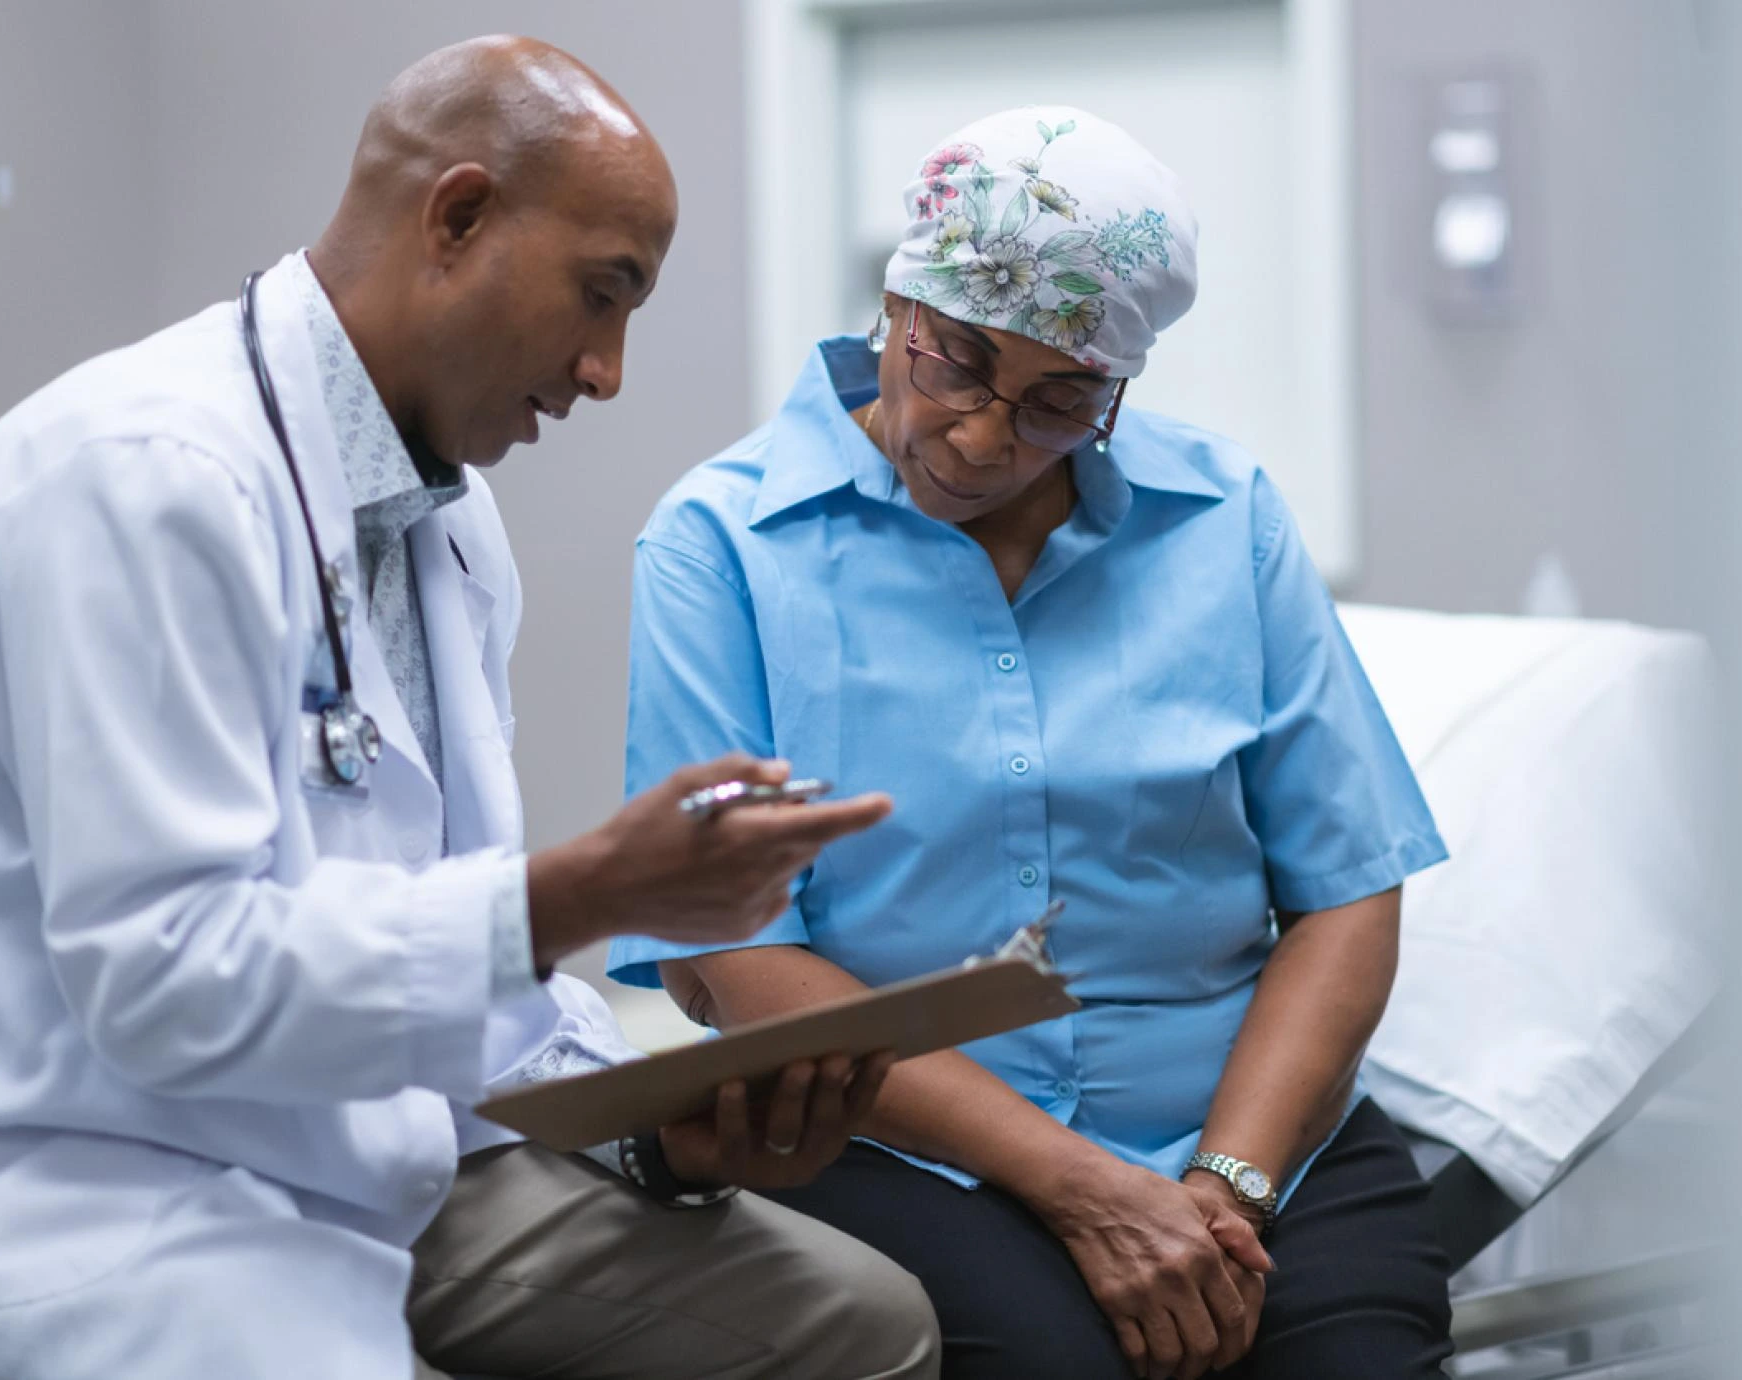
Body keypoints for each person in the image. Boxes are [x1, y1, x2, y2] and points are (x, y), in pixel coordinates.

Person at [0, 36, 939, 1380]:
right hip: (75, 1185)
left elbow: (437, 941)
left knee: (858, 1330)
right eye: (602, 296)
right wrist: (583, 893)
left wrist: (647, 1128)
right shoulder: (138, 477)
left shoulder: (450, 521)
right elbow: (164, 982)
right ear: (460, 215)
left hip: (380, 1156)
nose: (606, 372)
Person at [610, 107, 1454, 1380]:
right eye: (953, 362)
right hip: (901, 1139)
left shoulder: (1225, 521)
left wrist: (1225, 1190)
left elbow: (1346, 891)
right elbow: (743, 961)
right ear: (896, 302)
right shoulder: (722, 549)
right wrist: (1086, 1193)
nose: (985, 437)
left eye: (1060, 402)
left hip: (1249, 1132)